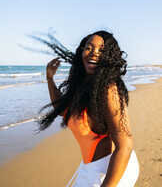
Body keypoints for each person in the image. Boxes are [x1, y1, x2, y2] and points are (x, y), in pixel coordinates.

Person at [37, 30, 139, 187]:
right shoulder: (83, 86)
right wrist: (50, 79)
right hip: (90, 168)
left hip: (110, 171)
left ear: (110, 57)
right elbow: (63, 110)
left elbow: (125, 146)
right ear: (81, 52)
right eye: (89, 48)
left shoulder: (108, 90)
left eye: (101, 50)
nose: (94, 53)